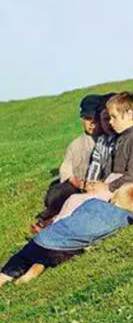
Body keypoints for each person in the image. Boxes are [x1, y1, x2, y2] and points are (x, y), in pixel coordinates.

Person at [0, 184, 133, 288]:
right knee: (55, 255)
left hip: (42, 238)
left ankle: (9, 275)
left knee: (17, 262)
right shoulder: (126, 219)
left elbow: (76, 215)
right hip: (62, 249)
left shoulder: (93, 203)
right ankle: (36, 268)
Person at [53, 92, 133, 222]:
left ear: (129, 114)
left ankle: (61, 225)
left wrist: (107, 187)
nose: (110, 122)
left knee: (87, 202)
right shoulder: (121, 137)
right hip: (118, 181)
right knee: (76, 199)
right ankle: (59, 223)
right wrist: (98, 184)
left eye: (113, 117)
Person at [32, 94, 103, 232]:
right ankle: (49, 216)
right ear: (82, 119)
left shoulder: (106, 141)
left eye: (96, 120)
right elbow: (66, 167)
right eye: (88, 119)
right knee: (57, 193)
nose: (92, 124)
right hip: (77, 184)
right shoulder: (75, 145)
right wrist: (72, 179)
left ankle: (52, 221)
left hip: (99, 184)